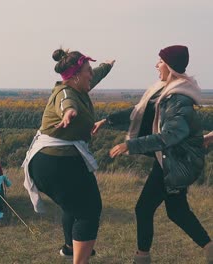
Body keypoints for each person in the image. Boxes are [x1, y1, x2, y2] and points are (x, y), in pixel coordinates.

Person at [95, 45, 212, 264]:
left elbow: (171, 135)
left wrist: (131, 145)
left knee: (144, 207)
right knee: (176, 211)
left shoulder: (178, 98)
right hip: (170, 160)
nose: (156, 65)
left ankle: (142, 257)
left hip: (175, 162)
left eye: (160, 61)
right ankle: (209, 248)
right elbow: (139, 112)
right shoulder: (164, 91)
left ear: (169, 66)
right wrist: (107, 120)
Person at [22, 48, 114, 264]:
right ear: (75, 77)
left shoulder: (79, 86)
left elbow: (95, 76)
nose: (91, 74)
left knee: (73, 205)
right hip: (57, 162)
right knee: (89, 210)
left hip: (52, 162)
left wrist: (107, 66)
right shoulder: (65, 93)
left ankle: (69, 247)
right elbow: (67, 105)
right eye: (88, 71)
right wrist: (68, 114)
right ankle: (79, 258)